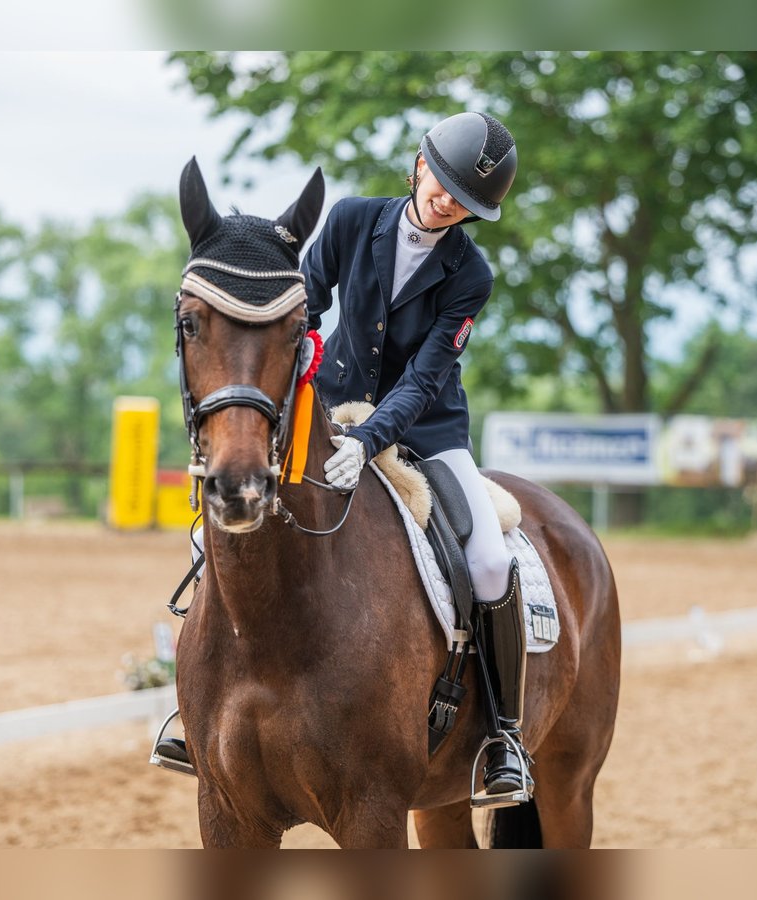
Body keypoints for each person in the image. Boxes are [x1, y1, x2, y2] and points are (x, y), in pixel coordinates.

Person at [155, 111, 531, 805]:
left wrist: (369, 438)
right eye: (442, 182)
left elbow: (425, 376)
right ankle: (198, 704)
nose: (446, 200)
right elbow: (306, 304)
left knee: (488, 558)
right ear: (420, 166)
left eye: (463, 200)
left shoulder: (469, 274)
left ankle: (503, 736)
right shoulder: (356, 220)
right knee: (236, 518)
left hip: (425, 430)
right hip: (325, 411)